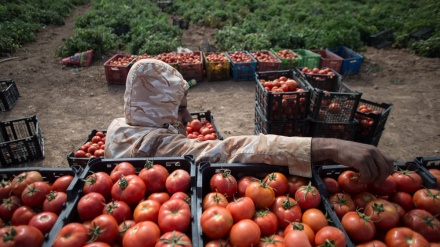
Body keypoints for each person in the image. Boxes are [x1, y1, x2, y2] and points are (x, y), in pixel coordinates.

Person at [104, 59, 394, 184]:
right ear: (158, 110)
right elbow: (234, 150)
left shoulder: (120, 126)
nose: (189, 119)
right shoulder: (158, 146)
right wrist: (331, 146)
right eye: (179, 111)